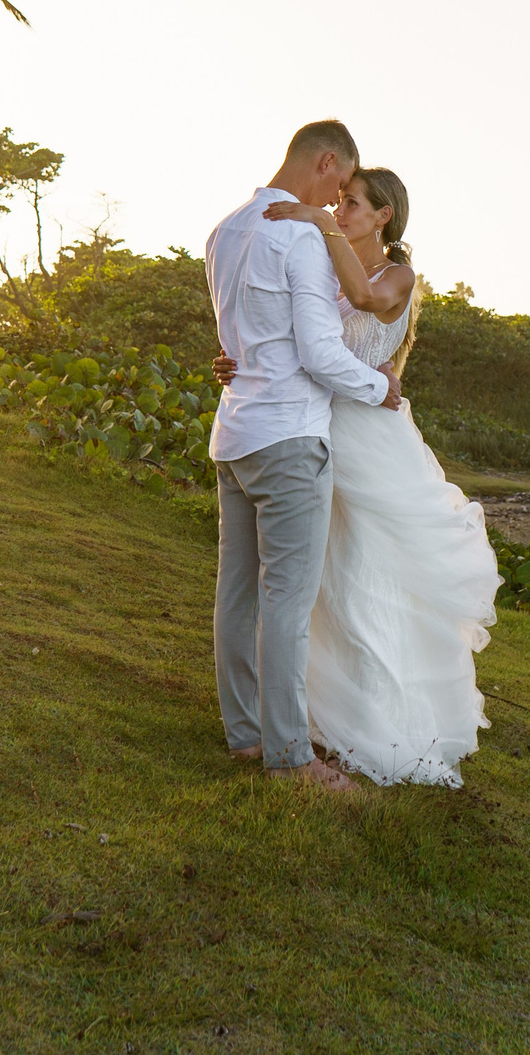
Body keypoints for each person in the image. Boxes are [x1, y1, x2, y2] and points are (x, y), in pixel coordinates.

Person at [219, 165, 504, 788]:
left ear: (385, 217)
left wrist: (321, 226)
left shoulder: (396, 274)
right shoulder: (323, 265)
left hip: (368, 437)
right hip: (315, 426)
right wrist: (239, 356)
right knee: (317, 587)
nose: (341, 209)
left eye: (353, 205)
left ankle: (382, 720)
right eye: (339, 201)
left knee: (366, 578)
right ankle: (319, 716)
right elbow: (297, 337)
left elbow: (371, 303)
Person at [203, 119, 403, 792]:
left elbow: (238, 337)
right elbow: (321, 355)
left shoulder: (225, 229)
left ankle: (245, 736)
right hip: (289, 437)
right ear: (326, 164)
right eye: (342, 185)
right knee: (285, 601)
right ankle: (289, 756)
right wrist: (382, 388)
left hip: (234, 433)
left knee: (236, 594)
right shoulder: (300, 235)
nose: (340, 200)